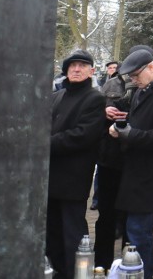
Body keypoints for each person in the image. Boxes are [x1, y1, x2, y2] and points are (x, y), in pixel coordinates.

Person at [108, 48, 153, 279]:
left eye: (135, 75)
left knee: (139, 233)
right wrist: (121, 126)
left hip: (151, 176)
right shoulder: (143, 90)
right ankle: (138, 272)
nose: (133, 80)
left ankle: (144, 274)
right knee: (135, 232)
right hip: (136, 172)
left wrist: (129, 135)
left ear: (151, 68)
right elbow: (141, 121)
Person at [46, 49, 106, 279]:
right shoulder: (56, 96)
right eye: (72, 66)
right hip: (51, 175)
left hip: (73, 177)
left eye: (82, 65)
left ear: (91, 71)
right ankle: (57, 270)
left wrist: (44, 143)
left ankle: (77, 273)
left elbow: (82, 135)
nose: (77, 69)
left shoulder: (94, 98)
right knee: (52, 230)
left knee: (73, 231)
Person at [94, 59, 133, 270]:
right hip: (109, 158)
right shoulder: (109, 85)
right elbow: (98, 108)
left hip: (132, 160)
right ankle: (101, 264)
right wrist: (105, 112)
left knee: (130, 217)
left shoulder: (146, 88)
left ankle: (128, 265)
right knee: (105, 215)